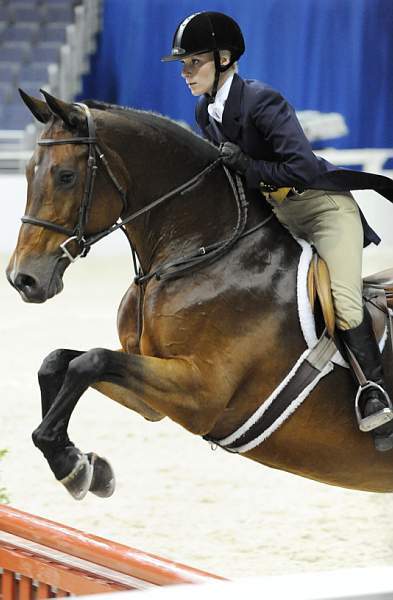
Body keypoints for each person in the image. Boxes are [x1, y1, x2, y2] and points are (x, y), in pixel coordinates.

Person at [161, 11, 393, 451]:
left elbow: (302, 167)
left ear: (224, 58)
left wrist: (247, 166)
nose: (187, 72)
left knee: (343, 303)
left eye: (194, 62)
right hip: (279, 216)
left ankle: (374, 394)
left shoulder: (261, 101)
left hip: (323, 210)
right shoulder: (205, 110)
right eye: (183, 65)